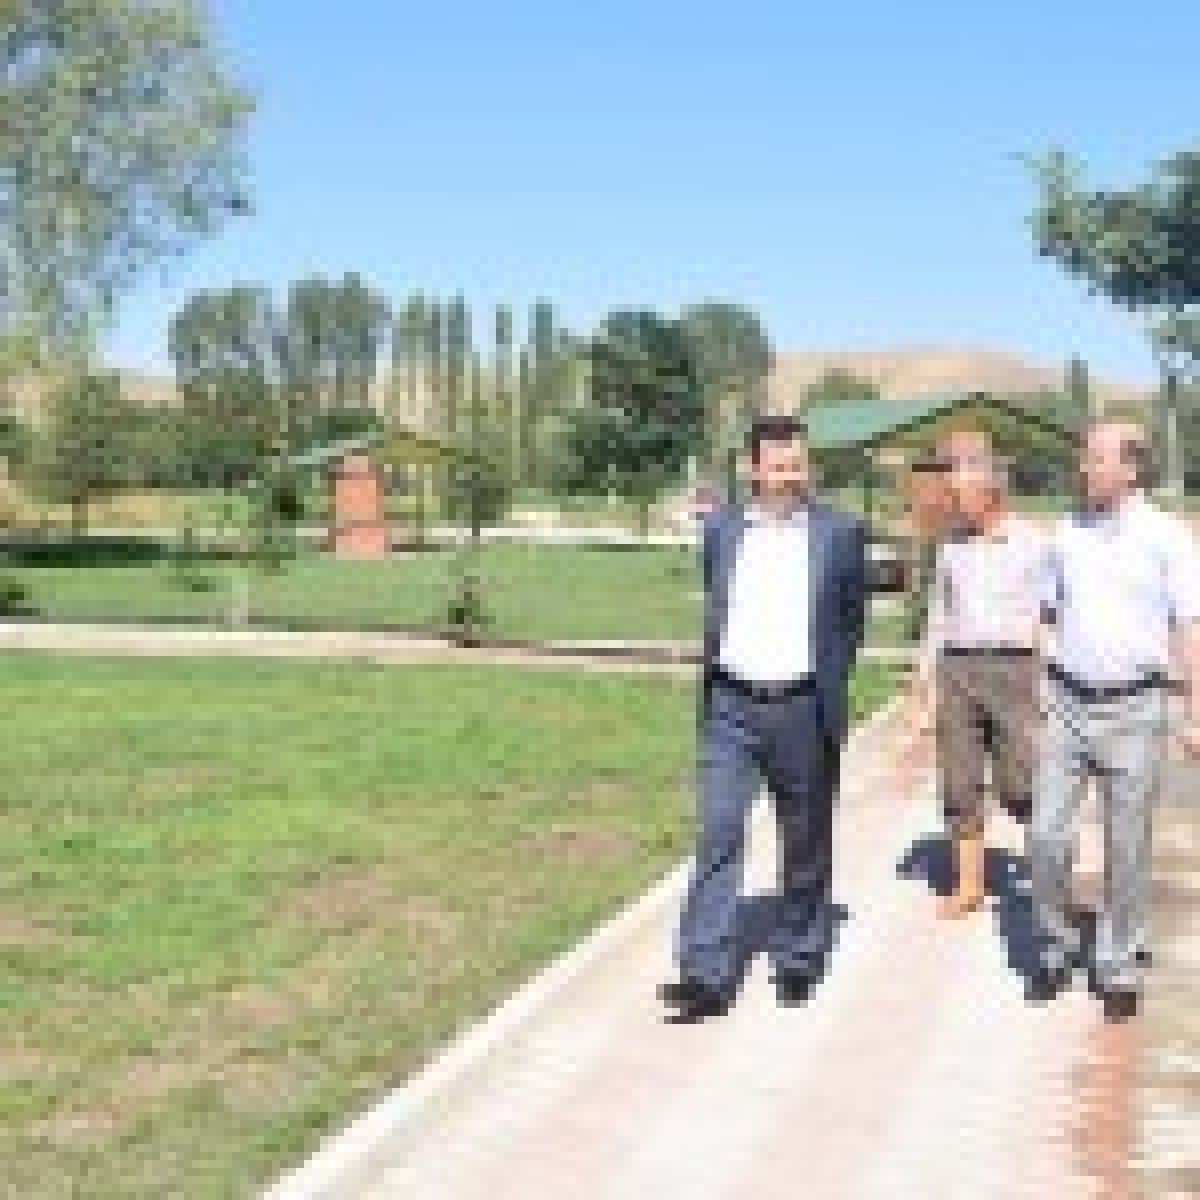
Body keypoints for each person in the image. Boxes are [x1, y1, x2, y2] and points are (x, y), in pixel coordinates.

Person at [659, 415, 867, 1020]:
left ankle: (799, 955)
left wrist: (826, 684)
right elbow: (716, 602)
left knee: (804, 839)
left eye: (797, 463)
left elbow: (849, 621)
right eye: (777, 465)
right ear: (753, 468)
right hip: (730, 706)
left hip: (802, 707)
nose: (789, 474)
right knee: (719, 831)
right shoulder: (723, 529)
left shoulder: (840, 533)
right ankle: (703, 973)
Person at [1030, 418, 1200, 1021]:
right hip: (1067, 705)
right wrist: (1042, 680)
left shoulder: (1166, 536)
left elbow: (1189, 626)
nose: (1085, 467)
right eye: (1085, 456)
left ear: (1131, 468)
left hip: (1137, 708)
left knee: (1126, 847)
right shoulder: (1065, 531)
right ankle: (1055, 946)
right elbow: (1046, 610)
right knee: (1046, 836)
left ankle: (1119, 964)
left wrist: (1195, 713)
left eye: (1098, 458)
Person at [911, 430, 1047, 918]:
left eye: (961, 490)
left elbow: (1051, 614)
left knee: (1023, 783)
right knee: (960, 779)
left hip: (1016, 670)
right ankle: (969, 886)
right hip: (958, 669)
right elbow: (940, 612)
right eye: (950, 490)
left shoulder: (1034, 542)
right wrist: (923, 676)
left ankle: (1047, 879)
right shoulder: (951, 544)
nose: (953, 500)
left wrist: (1048, 680)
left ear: (991, 486)